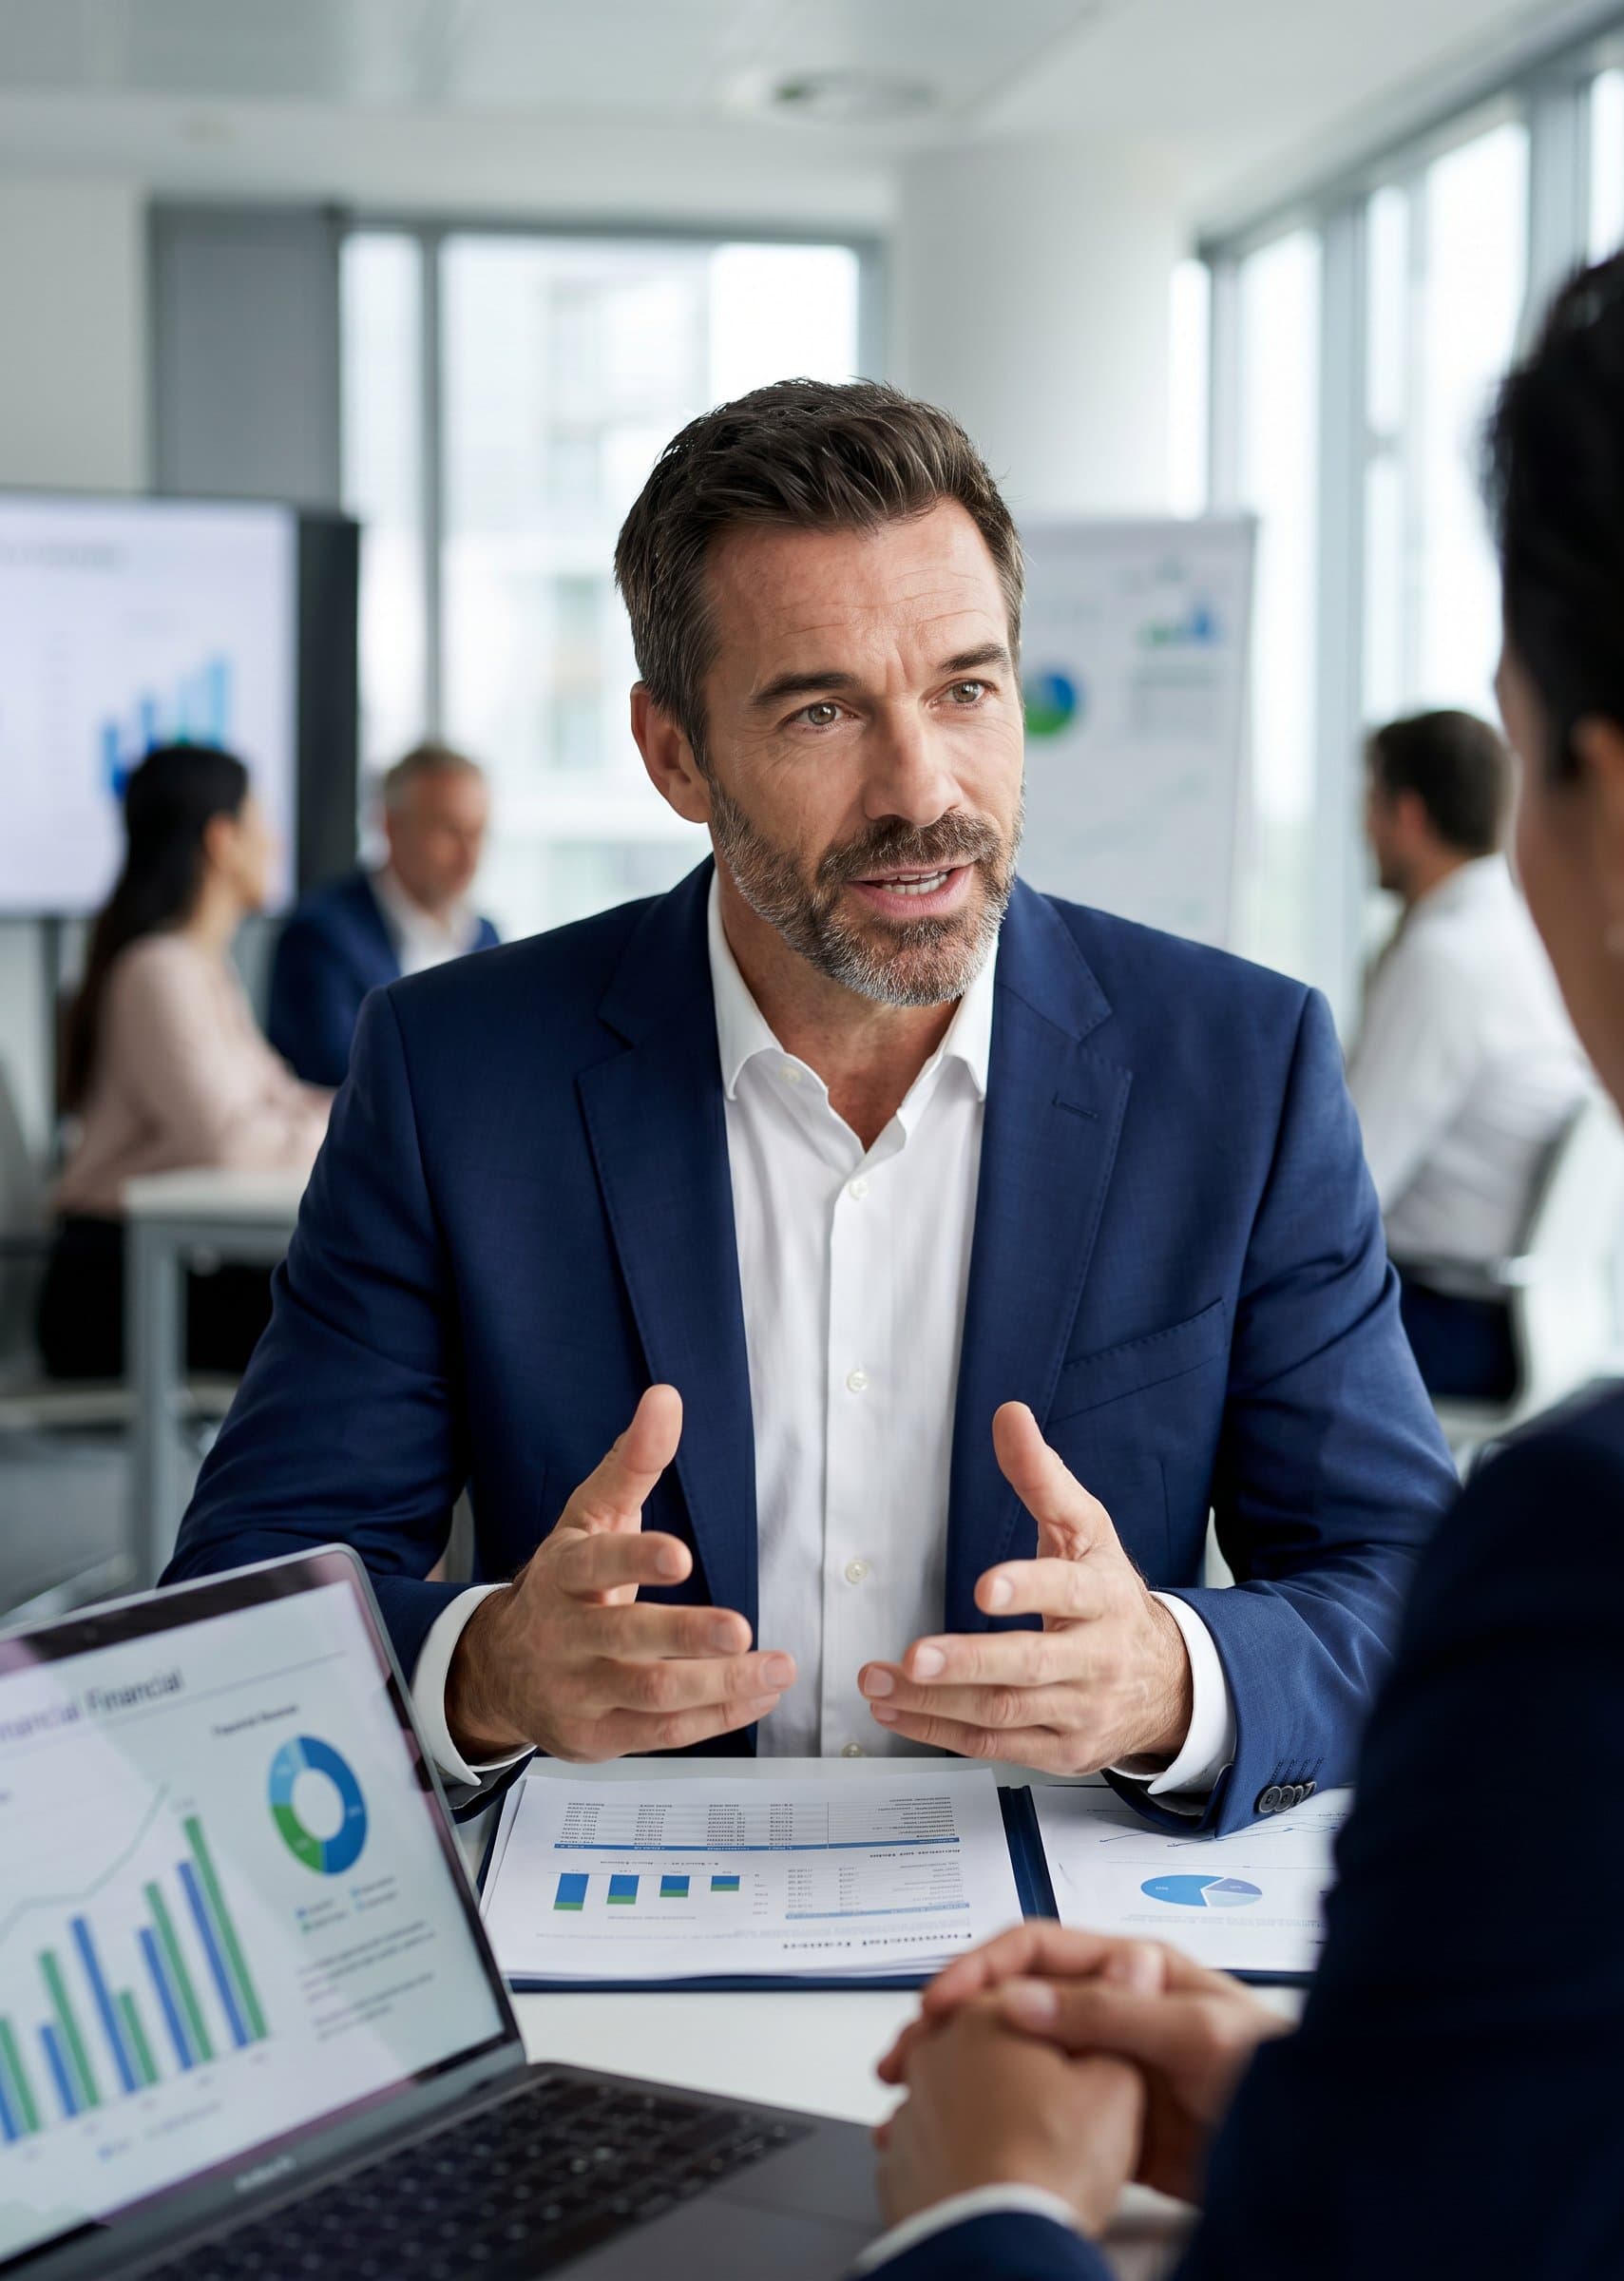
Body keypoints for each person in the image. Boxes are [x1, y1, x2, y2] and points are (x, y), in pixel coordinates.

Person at [163, 379, 1455, 1831]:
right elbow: (237, 1603)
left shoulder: (1240, 1069)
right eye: (824, 710)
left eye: (967, 689)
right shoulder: (458, 1075)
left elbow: (1410, 1587)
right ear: (674, 755)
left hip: (1067, 1960)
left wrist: (1175, 1677)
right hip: (615, 1954)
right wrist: (482, 1672)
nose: (922, 790)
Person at [862, 221, 1624, 2281]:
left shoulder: (1619, 1571)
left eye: (970, 687)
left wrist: (977, 2207)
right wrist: (1325, 2123)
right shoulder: (465, 1069)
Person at [39, 746, 333, 1379]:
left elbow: (278, 1103)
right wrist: (355, 1136)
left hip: (163, 1275)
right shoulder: (158, 972)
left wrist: (370, 1123)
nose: (275, 844)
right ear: (223, 841)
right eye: (263, 823)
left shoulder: (199, 968)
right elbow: (231, 1142)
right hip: (111, 1290)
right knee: (363, 1315)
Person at [1349, 708, 1589, 1398]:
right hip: (1511, 1308)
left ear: (1410, 815)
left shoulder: (1443, 961)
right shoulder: (1515, 932)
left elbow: (1351, 1182)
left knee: (1229, 1336)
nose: (1365, 830)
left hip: (1452, 1315)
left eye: (1372, 805)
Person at [266, 740, 499, 1087]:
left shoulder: (487, 938)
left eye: (478, 833)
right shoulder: (319, 937)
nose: (469, 856)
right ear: (390, 826)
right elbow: (344, 1080)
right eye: (449, 831)